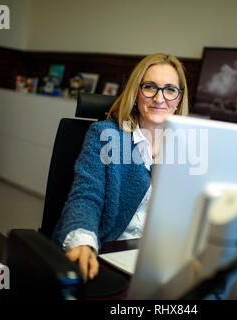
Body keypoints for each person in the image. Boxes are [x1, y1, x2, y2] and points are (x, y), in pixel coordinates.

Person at [52, 53, 189, 281]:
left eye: (170, 89)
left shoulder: (187, 145)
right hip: (110, 254)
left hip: (160, 260)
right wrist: (82, 242)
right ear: (136, 92)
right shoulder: (106, 135)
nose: (159, 98)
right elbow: (86, 197)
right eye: (150, 87)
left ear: (178, 99)